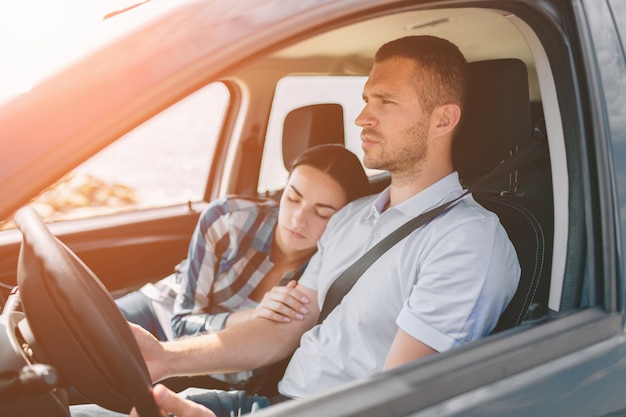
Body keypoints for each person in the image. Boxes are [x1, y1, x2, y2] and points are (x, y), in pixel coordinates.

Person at [71, 35, 520, 417]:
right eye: (366, 99)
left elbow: (396, 401)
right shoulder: (352, 217)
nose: (362, 117)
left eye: (385, 102)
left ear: (443, 119)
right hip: (270, 403)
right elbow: (282, 328)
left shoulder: (466, 242)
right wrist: (165, 358)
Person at [114, 143, 371, 384]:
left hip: (215, 366)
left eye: (321, 212)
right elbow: (181, 323)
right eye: (292, 198)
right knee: (80, 337)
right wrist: (251, 316)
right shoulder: (229, 219)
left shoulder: (323, 276)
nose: (298, 219)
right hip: (160, 310)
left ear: (344, 221)